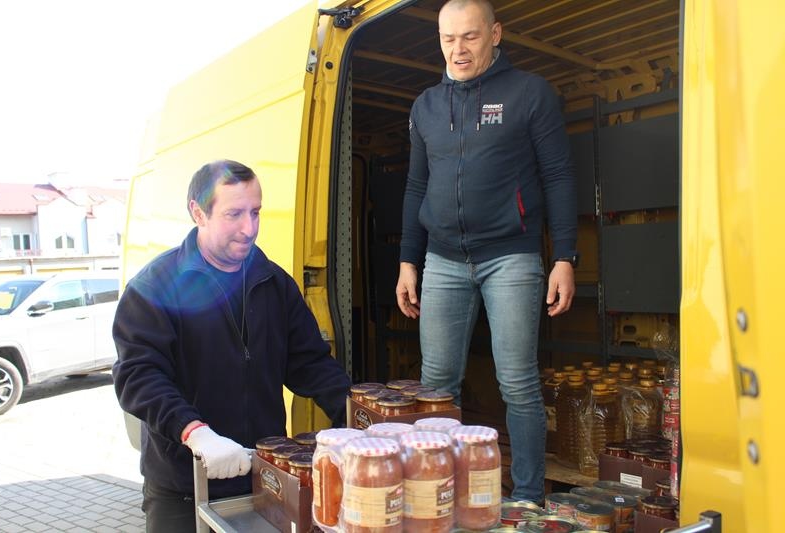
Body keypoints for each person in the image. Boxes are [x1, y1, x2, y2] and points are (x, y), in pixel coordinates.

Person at [395, 0, 577, 503]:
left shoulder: (529, 93)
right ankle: (439, 494)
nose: (458, 49)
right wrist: (408, 261)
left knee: (517, 382)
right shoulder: (425, 106)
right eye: (448, 39)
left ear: (495, 34)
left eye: (470, 37)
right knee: (437, 385)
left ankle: (527, 498)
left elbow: (559, 175)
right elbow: (415, 187)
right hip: (442, 259)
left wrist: (565, 256)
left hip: (510, 256)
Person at [112, 160, 351, 532]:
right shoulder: (154, 287)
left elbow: (310, 364)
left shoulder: (274, 283)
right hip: (183, 486)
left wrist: (354, 417)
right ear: (198, 213)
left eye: (255, 212)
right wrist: (195, 432)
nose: (249, 228)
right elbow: (138, 376)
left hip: (262, 478)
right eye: (234, 214)